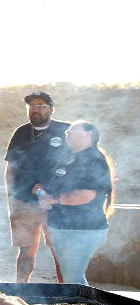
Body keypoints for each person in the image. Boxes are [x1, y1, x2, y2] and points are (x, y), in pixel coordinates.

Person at [37, 121, 113, 285]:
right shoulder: (70, 157)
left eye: (73, 130)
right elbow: (57, 186)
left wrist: (53, 199)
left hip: (82, 230)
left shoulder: (93, 160)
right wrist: (42, 190)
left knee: (74, 279)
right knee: (67, 278)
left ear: (88, 134)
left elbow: (86, 195)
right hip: (64, 227)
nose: (67, 133)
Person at [5, 91, 70, 283]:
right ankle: (21, 292)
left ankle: (66, 291)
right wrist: (11, 197)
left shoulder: (65, 130)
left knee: (59, 249)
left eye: (41, 105)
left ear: (51, 108)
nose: (36, 109)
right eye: (32, 106)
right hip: (24, 201)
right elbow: (11, 168)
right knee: (25, 251)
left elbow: (78, 164)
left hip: (56, 202)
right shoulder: (21, 132)